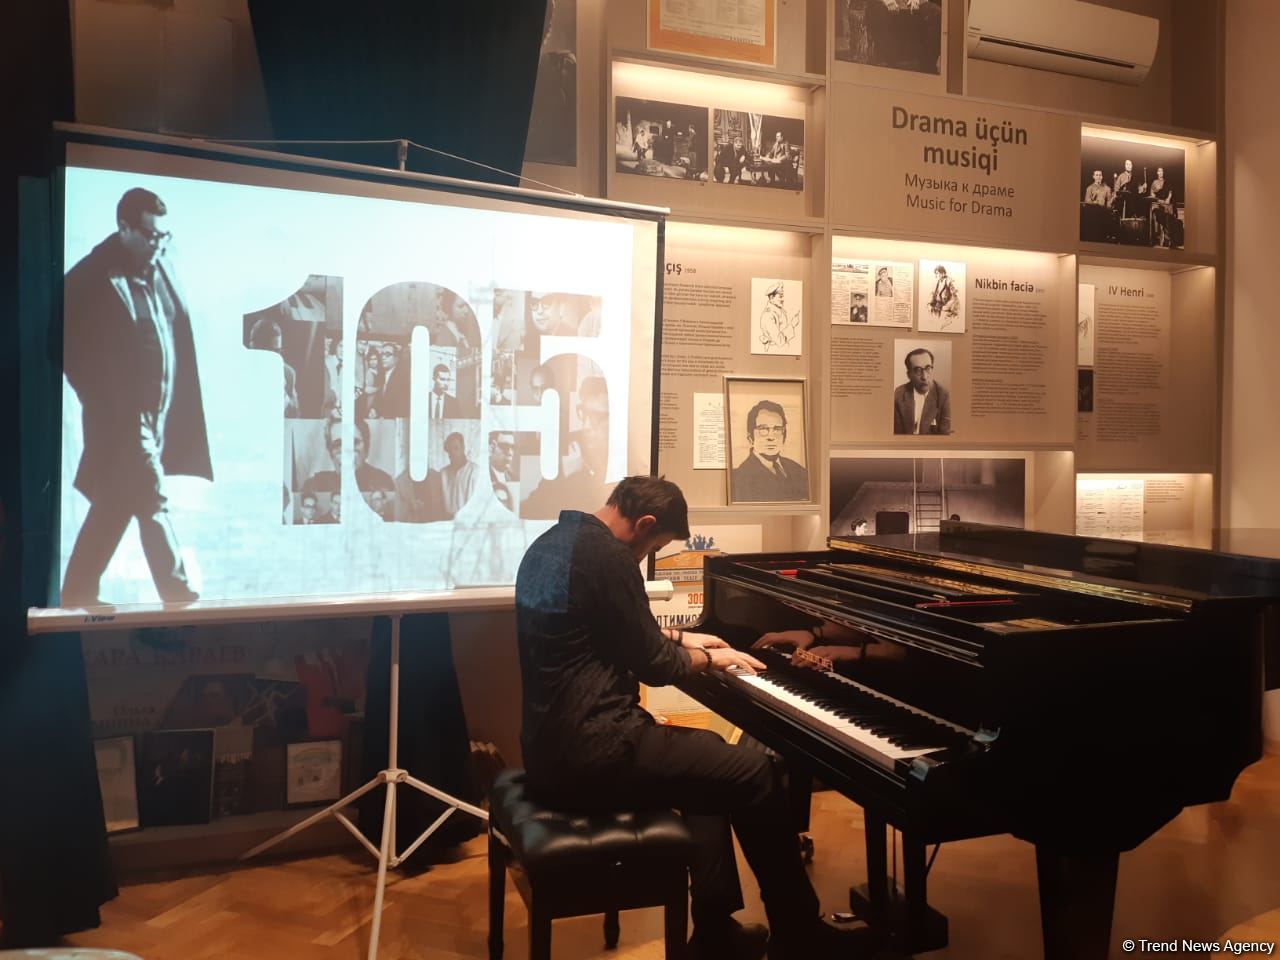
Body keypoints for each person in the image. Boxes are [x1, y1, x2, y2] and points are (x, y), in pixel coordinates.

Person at [516, 477, 872, 960]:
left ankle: (714, 931)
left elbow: (613, 629)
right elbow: (654, 665)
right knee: (754, 771)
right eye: (654, 547)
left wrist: (687, 638)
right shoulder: (610, 557)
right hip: (597, 751)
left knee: (710, 767)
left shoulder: (554, 543)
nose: (646, 556)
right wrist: (713, 659)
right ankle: (798, 932)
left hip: (548, 749)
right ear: (644, 523)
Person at [61, 187, 211, 606]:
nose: (158, 243)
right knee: (151, 498)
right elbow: (63, 344)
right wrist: (101, 397)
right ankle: (176, 592)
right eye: (150, 234)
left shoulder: (159, 271)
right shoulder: (91, 277)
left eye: (163, 235)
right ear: (124, 228)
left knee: (114, 503)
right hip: (122, 419)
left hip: (155, 416)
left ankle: (76, 592)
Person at [730, 400, 809, 502]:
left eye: (777, 429)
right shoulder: (739, 478)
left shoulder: (798, 470)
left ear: (784, 436)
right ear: (750, 438)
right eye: (763, 429)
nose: (771, 437)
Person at [248, 316, 299, 418]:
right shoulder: (242, 370)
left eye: (278, 351)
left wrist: (284, 397)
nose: (276, 357)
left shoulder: (288, 373)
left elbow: (296, 414)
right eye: (270, 352)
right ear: (254, 349)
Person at [893, 347, 952, 435]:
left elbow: (945, 436)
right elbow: (897, 435)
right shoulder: (899, 394)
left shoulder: (944, 396)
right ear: (909, 375)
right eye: (918, 370)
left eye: (928, 368)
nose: (924, 377)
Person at [428, 431, 479, 520]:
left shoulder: (474, 471)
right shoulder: (443, 473)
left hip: (468, 520)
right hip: (447, 521)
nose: (453, 453)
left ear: (463, 448)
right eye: (450, 450)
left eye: (456, 448)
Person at [757, 282, 797, 351]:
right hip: (774, 350)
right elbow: (779, 340)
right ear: (772, 298)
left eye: (783, 296)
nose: (783, 299)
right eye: (780, 296)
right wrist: (792, 325)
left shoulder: (780, 311)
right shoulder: (768, 315)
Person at [377, 342, 410, 419]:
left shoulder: (403, 378)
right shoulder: (380, 375)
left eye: (387, 354)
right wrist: (374, 410)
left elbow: (402, 406)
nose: (383, 357)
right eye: (382, 354)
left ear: (396, 359)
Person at [489, 430, 518, 512]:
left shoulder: (514, 478)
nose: (510, 453)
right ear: (491, 447)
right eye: (505, 446)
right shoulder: (484, 476)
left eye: (512, 447)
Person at [927, 264, 960, 328]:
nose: (936, 275)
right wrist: (929, 304)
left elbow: (955, 297)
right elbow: (932, 293)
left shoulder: (950, 281)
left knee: (942, 326)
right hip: (937, 307)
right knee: (932, 325)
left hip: (946, 309)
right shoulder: (937, 282)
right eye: (935, 274)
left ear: (943, 273)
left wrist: (946, 307)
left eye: (937, 273)